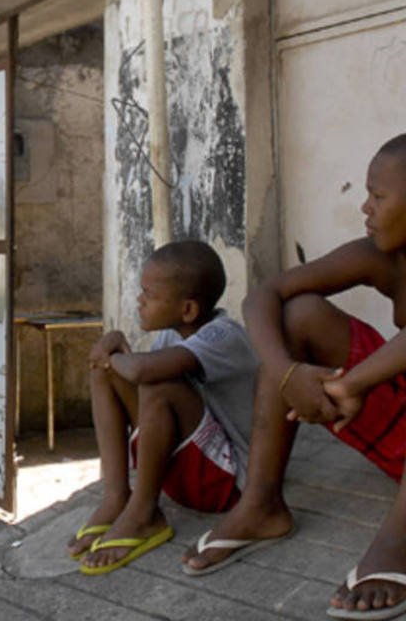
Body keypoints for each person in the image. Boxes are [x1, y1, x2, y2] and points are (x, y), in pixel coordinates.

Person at [180, 134, 406, 619]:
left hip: (364, 403)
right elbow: (265, 293)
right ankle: (261, 506)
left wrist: (351, 384)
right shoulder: (379, 256)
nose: (365, 208)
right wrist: (287, 375)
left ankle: (397, 542)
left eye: (379, 197)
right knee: (297, 315)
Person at [68, 240, 257, 575]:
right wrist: (111, 358)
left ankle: (144, 515)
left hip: (230, 485)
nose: (139, 301)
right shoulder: (171, 336)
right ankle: (116, 498)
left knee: (159, 386)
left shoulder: (223, 336)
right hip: (188, 470)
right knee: (106, 374)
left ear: (188, 310)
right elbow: (133, 370)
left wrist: (113, 350)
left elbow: (143, 372)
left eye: (149, 295)